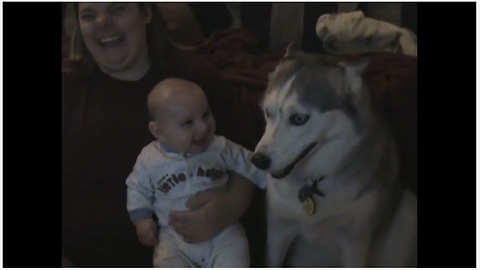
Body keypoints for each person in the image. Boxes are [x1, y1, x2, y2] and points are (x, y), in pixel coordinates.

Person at [62, 3, 261, 267]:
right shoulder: (69, 90)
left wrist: (230, 206)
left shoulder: (193, 80)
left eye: (117, 9)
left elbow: (252, 158)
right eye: (88, 15)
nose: (103, 22)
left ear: (145, 13)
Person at [127, 78, 266, 267]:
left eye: (206, 114)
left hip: (223, 231)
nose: (203, 127)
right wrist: (142, 220)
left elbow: (253, 166)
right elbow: (137, 188)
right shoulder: (149, 159)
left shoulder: (220, 147)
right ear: (158, 131)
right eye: (187, 123)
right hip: (174, 237)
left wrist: (280, 184)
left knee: (235, 258)